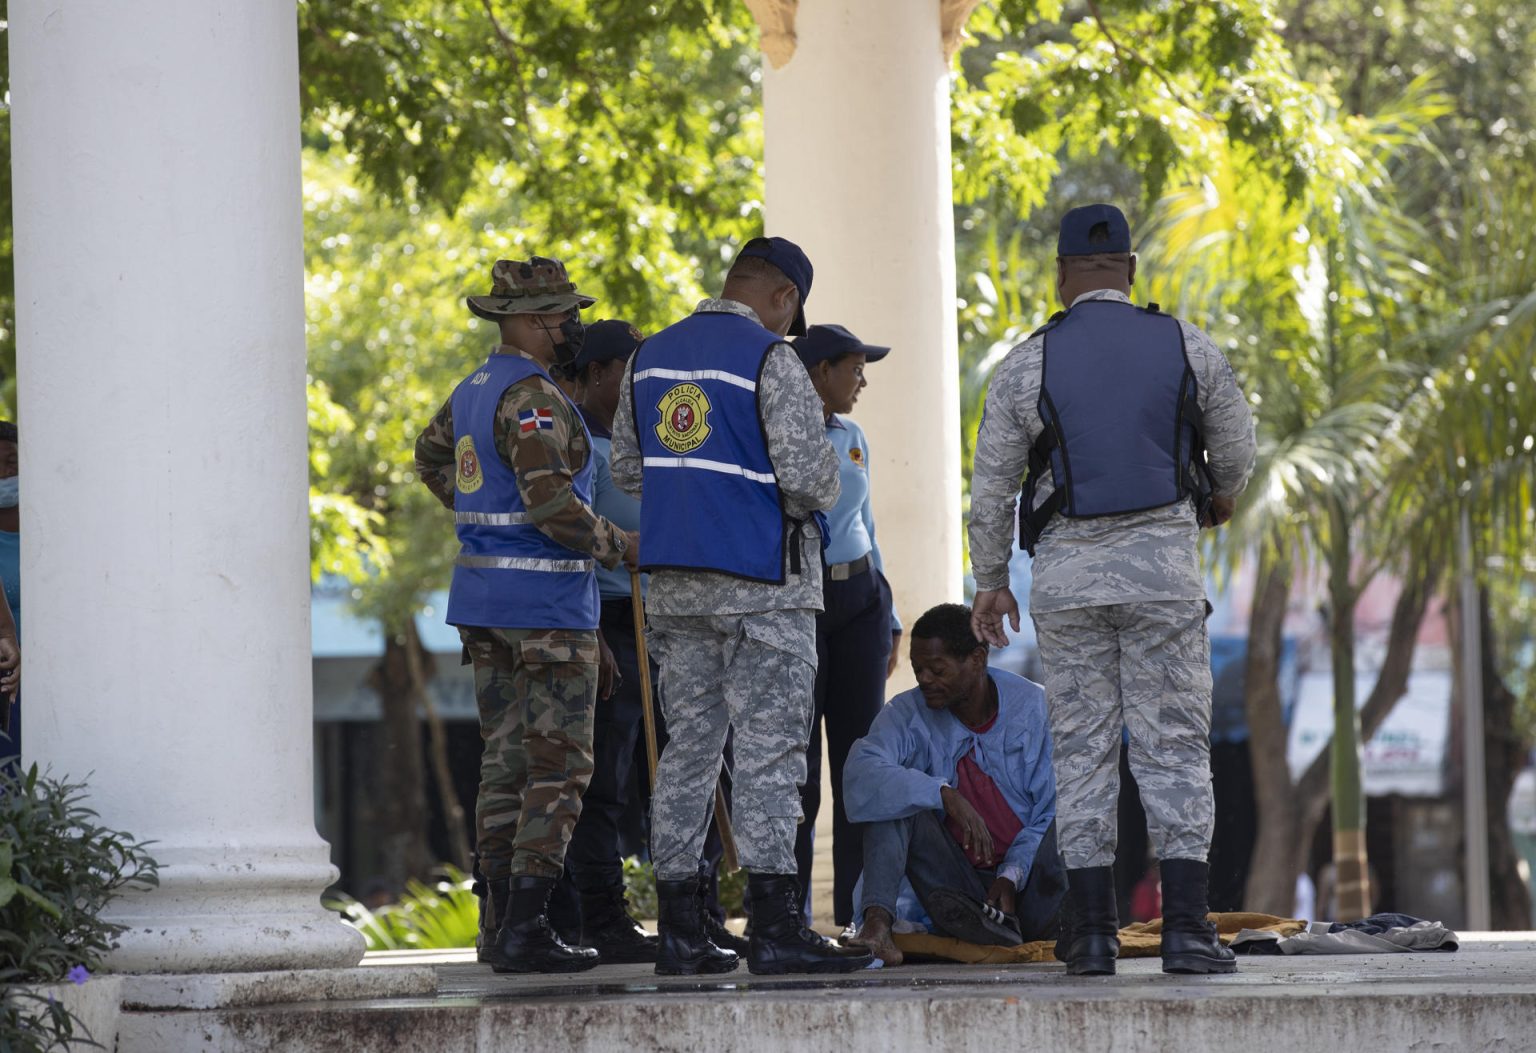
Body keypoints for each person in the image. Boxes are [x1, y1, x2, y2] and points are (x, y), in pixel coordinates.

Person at [968, 204, 1257, 976]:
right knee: (1173, 749)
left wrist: (992, 581)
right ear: (1130, 271)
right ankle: (1189, 930)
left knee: (1083, 750)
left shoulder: (1029, 363)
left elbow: (992, 485)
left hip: (1068, 585)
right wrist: (1220, 493)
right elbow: (1236, 444)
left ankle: (1091, 933)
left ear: (1062, 278)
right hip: (1163, 578)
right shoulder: (1186, 343)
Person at [610, 236, 872, 975]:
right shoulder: (771, 359)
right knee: (767, 753)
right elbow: (814, 482)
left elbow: (630, 469)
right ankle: (775, 927)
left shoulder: (648, 357)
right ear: (783, 297)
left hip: (676, 587)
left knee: (688, 753)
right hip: (763, 585)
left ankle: (682, 934)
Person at [414, 256, 638, 974]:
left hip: (483, 606)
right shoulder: (533, 396)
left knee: (505, 766)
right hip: (543, 608)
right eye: (561, 314)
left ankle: (500, 925)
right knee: (561, 766)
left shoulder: (473, 390)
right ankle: (529, 927)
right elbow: (551, 508)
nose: (569, 326)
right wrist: (619, 544)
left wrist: (481, 513)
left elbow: (430, 459)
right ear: (530, 320)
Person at [554, 319, 746, 963]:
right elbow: (567, 534)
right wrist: (589, 631)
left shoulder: (651, 433)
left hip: (667, 618)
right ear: (603, 372)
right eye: (627, 370)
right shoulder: (576, 439)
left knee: (685, 764)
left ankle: (695, 912)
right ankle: (602, 917)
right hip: (609, 615)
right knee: (608, 775)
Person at [842, 604, 1065, 965]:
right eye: (918, 670)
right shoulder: (908, 712)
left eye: (937, 669)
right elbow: (862, 772)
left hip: (1030, 882)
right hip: (957, 888)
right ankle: (877, 928)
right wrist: (941, 793)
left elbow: (1050, 811)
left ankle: (1041, 925)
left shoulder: (1034, 708)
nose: (925, 679)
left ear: (977, 659)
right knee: (894, 796)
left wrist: (1010, 875)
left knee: (1075, 812)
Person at [790, 324, 902, 929]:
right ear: (819, 372)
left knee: (859, 759)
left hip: (861, 601)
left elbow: (867, 521)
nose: (862, 380)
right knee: (800, 766)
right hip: (802, 604)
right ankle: (792, 915)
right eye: (854, 368)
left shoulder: (852, 435)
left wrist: (892, 614)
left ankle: (863, 912)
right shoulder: (779, 433)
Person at [0, 423, 21, 771]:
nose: (5, 473)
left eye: (12, 460)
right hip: (7, 673)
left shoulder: (58, 525)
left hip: (58, 669)